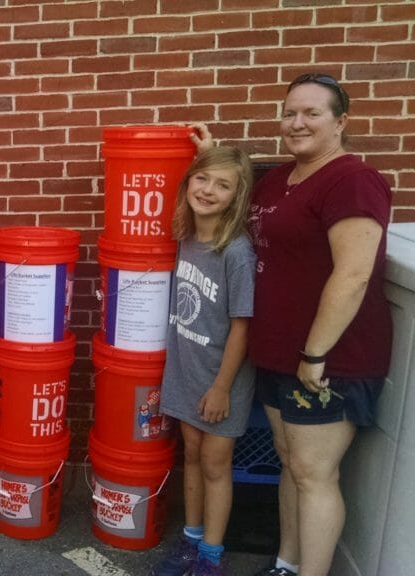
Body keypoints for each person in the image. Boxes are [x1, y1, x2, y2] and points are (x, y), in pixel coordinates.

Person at [200, 73, 393, 576]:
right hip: (280, 353)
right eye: (289, 113)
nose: (297, 122)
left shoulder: (352, 180)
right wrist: (211, 155)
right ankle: (286, 565)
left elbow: (353, 274)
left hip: (328, 361)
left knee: (314, 473)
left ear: (341, 121)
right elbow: (233, 189)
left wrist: (315, 355)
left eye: (312, 113)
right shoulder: (281, 178)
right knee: (293, 464)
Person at [148, 146, 257, 576]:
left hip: (220, 376)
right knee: (191, 454)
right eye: (202, 178)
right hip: (186, 367)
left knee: (215, 463)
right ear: (188, 182)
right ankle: (191, 541)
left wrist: (221, 387)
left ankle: (211, 555)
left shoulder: (236, 252)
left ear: (237, 196)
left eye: (223, 185)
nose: (209, 190)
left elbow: (242, 327)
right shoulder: (186, 238)